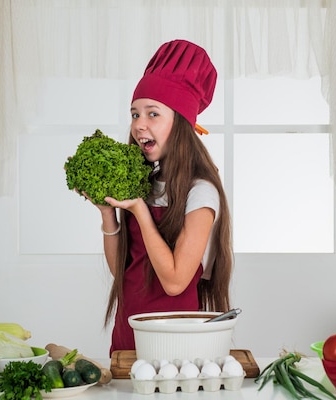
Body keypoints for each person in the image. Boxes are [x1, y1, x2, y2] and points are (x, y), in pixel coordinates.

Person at [88, 39, 233, 354]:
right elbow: (122, 272)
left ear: (180, 122)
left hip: (176, 341)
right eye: (135, 114)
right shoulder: (145, 181)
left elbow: (175, 282)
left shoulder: (201, 192)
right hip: (128, 335)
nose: (139, 125)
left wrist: (140, 210)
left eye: (153, 114)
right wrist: (107, 214)